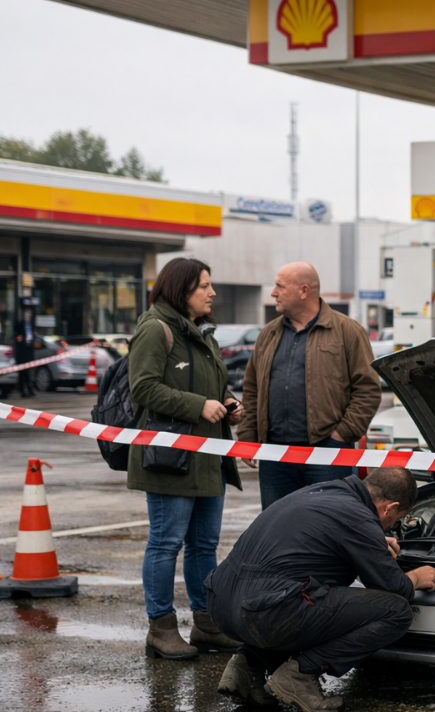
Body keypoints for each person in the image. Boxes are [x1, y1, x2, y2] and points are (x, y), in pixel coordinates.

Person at [207, 467, 435, 712]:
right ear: (389, 508)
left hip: (221, 604)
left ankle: (247, 665)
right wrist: (416, 577)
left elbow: (312, 537)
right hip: (265, 612)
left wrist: (372, 540)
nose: (387, 526)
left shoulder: (324, 491)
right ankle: (300, 676)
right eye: (393, 520)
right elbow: (393, 586)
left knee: (295, 593)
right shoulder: (358, 518)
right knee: (396, 611)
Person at [128, 258, 244, 660]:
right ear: (181, 290)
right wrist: (199, 406)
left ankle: (207, 625)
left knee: (204, 545)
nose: (212, 293)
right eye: (204, 286)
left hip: (209, 457)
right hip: (171, 458)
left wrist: (227, 403)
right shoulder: (155, 328)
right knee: (165, 544)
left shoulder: (202, 333)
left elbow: (213, 385)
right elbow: (143, 388)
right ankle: (160, 629)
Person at [238, 262, 382, 508]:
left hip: (327, 454)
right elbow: (252, 389)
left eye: (280, 286)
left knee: (327, 523)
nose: (273, 293)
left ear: (304, 291)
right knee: (278, 525)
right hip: (274, 455)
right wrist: (248, 436)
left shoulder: (347, 331)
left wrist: (341, 436)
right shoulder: (268, 334)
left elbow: (368, 389)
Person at [13, 303, 36, 397]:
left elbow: (32, 338)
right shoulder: (20, 325)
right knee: (23, 372)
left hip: (29, 351)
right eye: (26, 313)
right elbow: (17, 337)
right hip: (22, 352)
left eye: (29, 314)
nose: (28, 316)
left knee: (27, 372)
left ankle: (29, 389)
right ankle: (23, 390)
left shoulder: (31, 325)